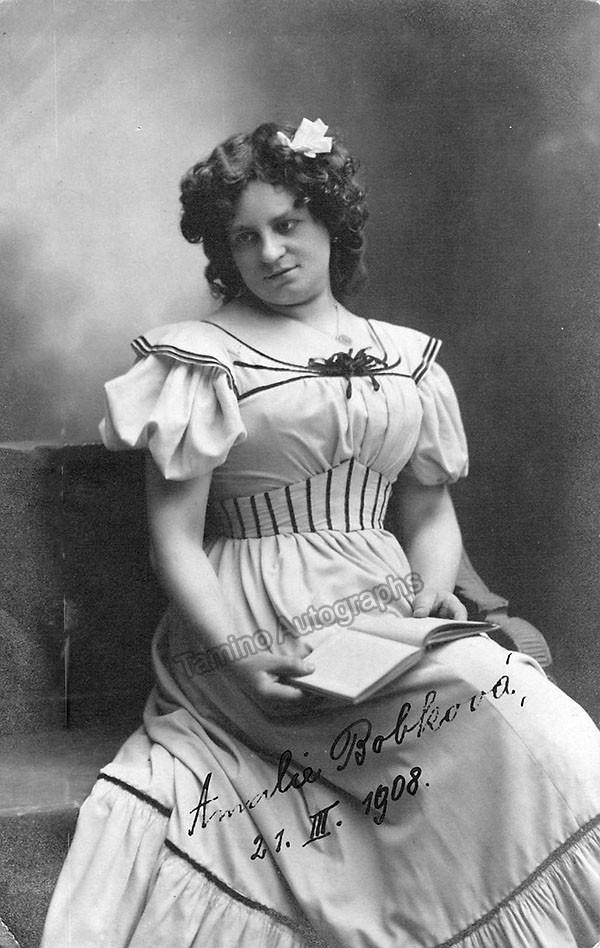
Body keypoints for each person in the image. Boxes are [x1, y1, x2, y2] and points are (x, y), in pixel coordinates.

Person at [42, 118, 600, 948]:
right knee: (489, 696)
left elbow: (428, 511)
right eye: (245, 237)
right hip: (254, 628)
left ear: (330, 221)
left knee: (538, 725)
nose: (270, 252)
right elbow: (176, 542)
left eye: (287, 224)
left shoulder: (406, 358)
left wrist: (430, 594)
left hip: (387, 619)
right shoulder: (199, 358)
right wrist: (243, 657)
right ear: (224, 250)